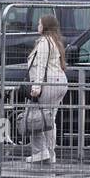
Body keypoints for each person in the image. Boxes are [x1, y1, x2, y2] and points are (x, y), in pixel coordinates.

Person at [23, 14, 69, 164]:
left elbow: (41, 65)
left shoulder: (44, 42)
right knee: (49, 119)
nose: (38, 26)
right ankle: (50, 152)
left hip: (48, 83)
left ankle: (41, 152)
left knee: (35, 116)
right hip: (59, 82)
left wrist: (36, 87)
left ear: (45, 26)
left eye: (39, 23)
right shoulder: (55, 41)